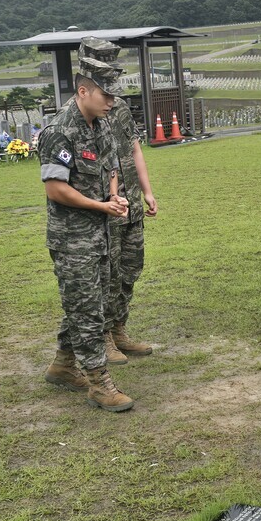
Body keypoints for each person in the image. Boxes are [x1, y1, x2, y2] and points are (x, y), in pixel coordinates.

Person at [38, 37, 134, 412]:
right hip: (73, 237)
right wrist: (100, 205)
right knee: (86, 308)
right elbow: (55, 189)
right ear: (83, 90)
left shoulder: (102, 125)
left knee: (90, 302)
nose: (112, 101)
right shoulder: (59, 131)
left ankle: (63, 365)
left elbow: (111, 166)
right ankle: (98, 381)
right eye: (106, 95)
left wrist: (115, 197)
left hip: (101, 232)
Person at [103, 75, 158, 364]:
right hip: (105, 210)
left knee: (130, 269)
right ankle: (104, 338)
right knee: (107, 276)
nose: (110, 98)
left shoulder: (121, 108)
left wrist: (147, 192)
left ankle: (119, 329)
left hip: (132, 206)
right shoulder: (81, 114)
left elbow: (135, 148)